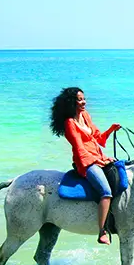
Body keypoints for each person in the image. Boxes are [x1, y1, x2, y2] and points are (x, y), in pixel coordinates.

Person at [50, 87, 121, 245]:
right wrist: (98, 162)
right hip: (85, 163)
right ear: (71, 102)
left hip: (98, 157)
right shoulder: (70, 123)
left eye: (84, 99)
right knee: (106, 192)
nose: (84, 102)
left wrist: (111, 129)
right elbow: (79, 149)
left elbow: (99, 140)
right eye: (80, 100)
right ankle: (102, 231)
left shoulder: (85, 116)